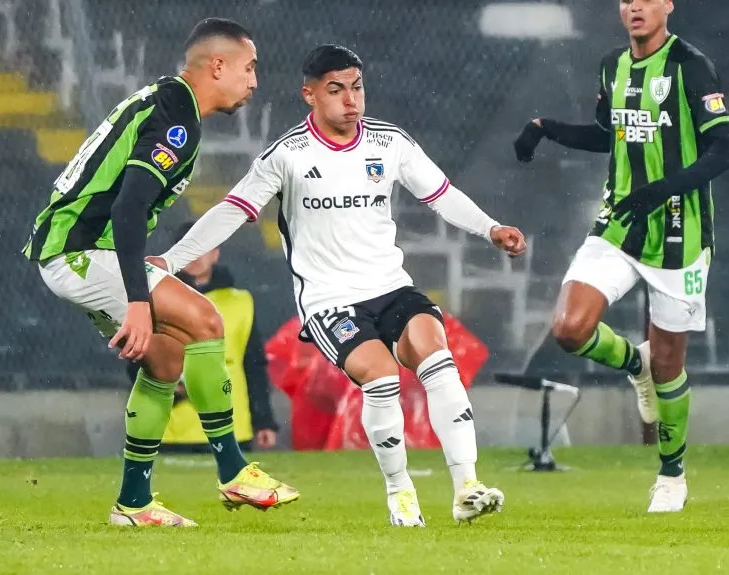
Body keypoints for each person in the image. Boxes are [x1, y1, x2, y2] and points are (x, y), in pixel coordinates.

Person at [157, 45, 527, 527]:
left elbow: (441, 194)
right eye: (336, 90)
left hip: (392, 286)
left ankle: (466, 488)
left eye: (357, 87)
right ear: (309, 94)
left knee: (438, 357)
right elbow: (231, 211)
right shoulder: (287, 156)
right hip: (331, 301)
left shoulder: (389, 142)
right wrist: (170, 259)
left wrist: (490, 228)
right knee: (382, 378)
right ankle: (400, 491)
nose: (351, 100)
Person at [22, 18, 298, 527]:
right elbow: (128, 209)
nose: (255, 81)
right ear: (218, 66)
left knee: (167, 362)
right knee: (207, 320)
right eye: (249, 68)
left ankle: (133, 503)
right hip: (82, 250)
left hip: (70, 252)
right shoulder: (176, 116)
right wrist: (137, 300)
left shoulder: (167, 102)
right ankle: (234, 472)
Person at [512, 0, 729, 512]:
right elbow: (608, 135)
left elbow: (726, 149)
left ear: (667, 5)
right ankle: (634, 362)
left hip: (679, 232)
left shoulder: (691, 67)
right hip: (619, 222)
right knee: (569, 329)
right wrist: (545, 127)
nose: (634, 6)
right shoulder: (612, 66)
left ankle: (672, 475)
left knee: (670, 366)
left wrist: (662, 189)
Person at [125, 221, 280, 453]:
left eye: (202, 247)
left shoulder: (241, 301)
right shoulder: (155, 298)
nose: (195, 256)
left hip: (232, 426)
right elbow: (137, 355)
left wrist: (263, 420)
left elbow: (254, 365)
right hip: (171, 430)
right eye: (188, 248)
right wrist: (166, 385)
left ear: (215, 253)